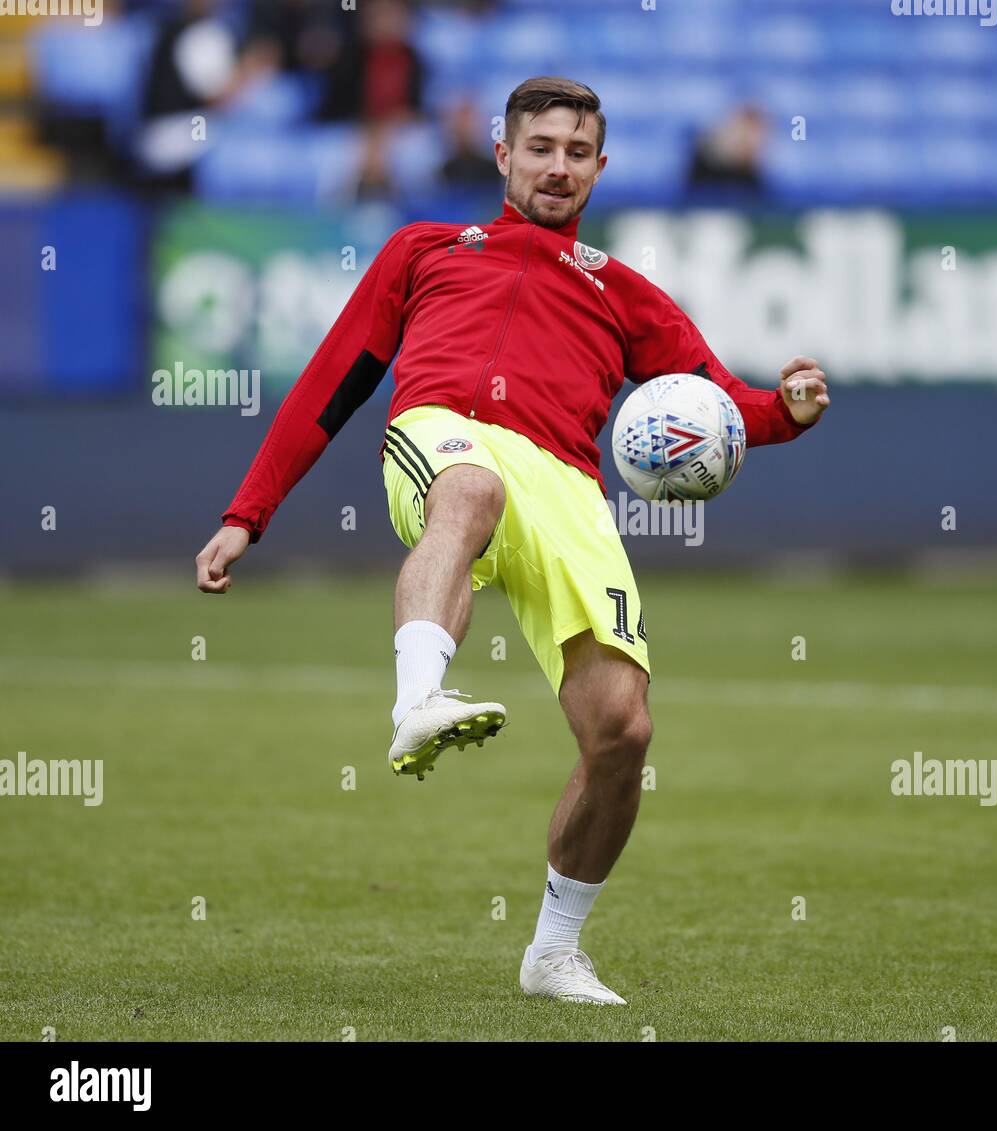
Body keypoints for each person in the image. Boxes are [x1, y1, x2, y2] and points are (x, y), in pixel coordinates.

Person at [194, 76, 829, 1006]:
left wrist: (793, 412)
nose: (557, 167)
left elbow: (722, 407)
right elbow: (332, 382)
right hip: (443, 433)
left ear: (600, 168)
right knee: (473, 487)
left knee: (623, 730)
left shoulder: (624, 292)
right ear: (503, 155)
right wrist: (248, 512)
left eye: (577, 153)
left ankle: (553, 950)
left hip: (569, 487)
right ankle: (418, 698)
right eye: (540, 148)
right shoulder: (425, 248)